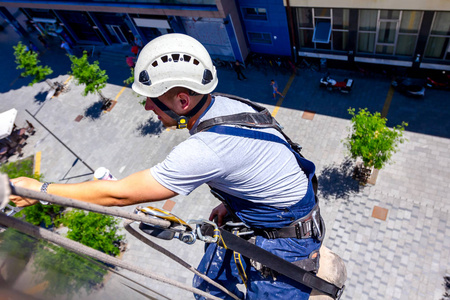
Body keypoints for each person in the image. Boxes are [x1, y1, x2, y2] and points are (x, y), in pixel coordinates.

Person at [10, 33, 323, 300]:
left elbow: (120, 196)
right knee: (206, 285)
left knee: (211, 290)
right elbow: (260, 161)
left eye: (152, 98)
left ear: (183, 102)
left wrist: (42, 190)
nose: (147, 106)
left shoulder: (205, 148)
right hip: (282, 211)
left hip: (288, 241)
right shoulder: (231, 106)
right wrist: (233, 205)